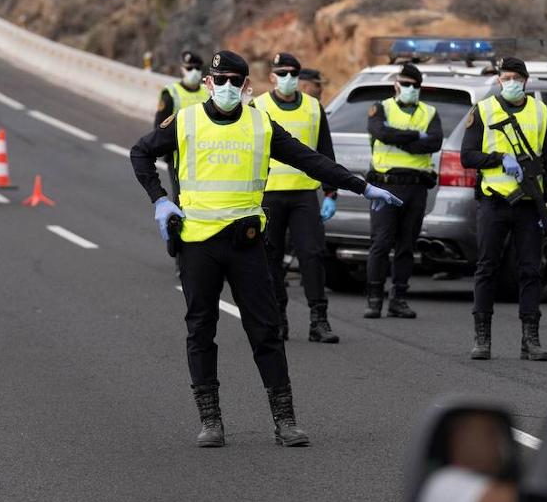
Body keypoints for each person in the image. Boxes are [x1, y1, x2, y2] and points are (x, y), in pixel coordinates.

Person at [130, 50, 402, 448]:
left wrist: (361, 186)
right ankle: (211, 420)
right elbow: (140, 152)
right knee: (200, 330)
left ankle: (285, 420)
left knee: (266, 331)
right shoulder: (186, 121)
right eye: (218, 80)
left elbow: (311, 160)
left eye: (234, 81)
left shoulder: (261, 124)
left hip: (246, 244)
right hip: (198, 244)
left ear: (246, 86)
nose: (226, 88)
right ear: (208, 82)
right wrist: (159, 199)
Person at [460, 56, 547, 361]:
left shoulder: (541, 112)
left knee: (530, 270)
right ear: (499, 81)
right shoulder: (485, 109)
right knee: (487, 267)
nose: (511, 83)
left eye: (516, 77)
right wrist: (500, 158)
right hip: (494, 202)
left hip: (530, 205)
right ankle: (482, 338)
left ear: (526, 80)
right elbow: (468, 156)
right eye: (505, 78)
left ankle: (530, 339)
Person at [254, 52, 339, 343]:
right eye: (282, 73)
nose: (288, 79)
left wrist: (331, 191)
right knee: (270, 258)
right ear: (272, 77)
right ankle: (278, 320)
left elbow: (325, 153)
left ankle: (319, 320)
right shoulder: (258, 106)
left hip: (304, 193)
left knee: (312, 255)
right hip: (269, 195)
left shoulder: (315, 108)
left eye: (293, 73)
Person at [364, 62, 444, 319]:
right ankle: (375, 299)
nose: (410, 88)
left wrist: (402, 139)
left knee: (406, 246)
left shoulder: (430, 112)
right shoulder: (381, 107)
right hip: (385, 186)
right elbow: (380, 133)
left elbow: (434, 141)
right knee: (381, 243)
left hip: (416, 186)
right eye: (406, 84)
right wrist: (413, 137)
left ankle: (399, 298)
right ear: (396, 84)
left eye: (415, 85)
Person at [154, 50, 210, 203]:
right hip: (179, 156)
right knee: (182, 199)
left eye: (197, 69)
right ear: (182, 69)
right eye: (190, 68)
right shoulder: (171, 93)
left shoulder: (208, 93)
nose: (194, 72)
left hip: (205, 155)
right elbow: (160, 127)